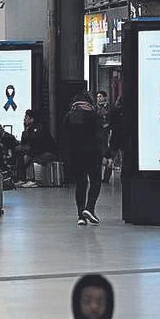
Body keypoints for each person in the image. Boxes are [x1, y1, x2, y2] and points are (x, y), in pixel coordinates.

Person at [63, 93, 105, 226]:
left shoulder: (69, 116)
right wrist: (106, 154)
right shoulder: (95, 116)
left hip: (75, 155)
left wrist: (66, 156)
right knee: (95, 182)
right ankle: (89, 208)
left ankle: (81, 215)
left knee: (80, 184)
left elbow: (64, 137)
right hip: (93, 154)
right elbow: (100, 137)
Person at [16, 109, 57, 187]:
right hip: (37, 152)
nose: (24, 119)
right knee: (21, 156)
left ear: (32, 119)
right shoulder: (27, 130)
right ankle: (21, 179)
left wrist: (29, 153)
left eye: (26, 117)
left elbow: (38, 145)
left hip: (47, 152)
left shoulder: (39, 128)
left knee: (30, 159)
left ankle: (32, 180)